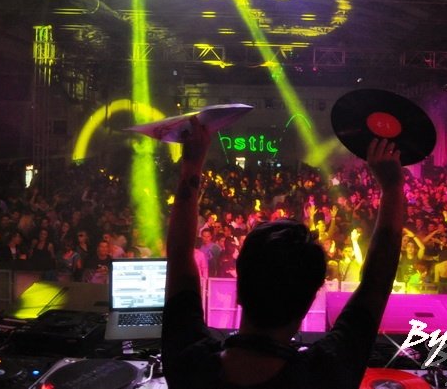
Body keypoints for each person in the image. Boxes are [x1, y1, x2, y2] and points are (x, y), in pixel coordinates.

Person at [162, 117, 404, 389]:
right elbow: (377, 281)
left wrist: (191, 165)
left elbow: (180, 255)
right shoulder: (326, 374)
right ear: (309, 303)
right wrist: (392, 187)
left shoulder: (189, 364)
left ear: (238, 290)